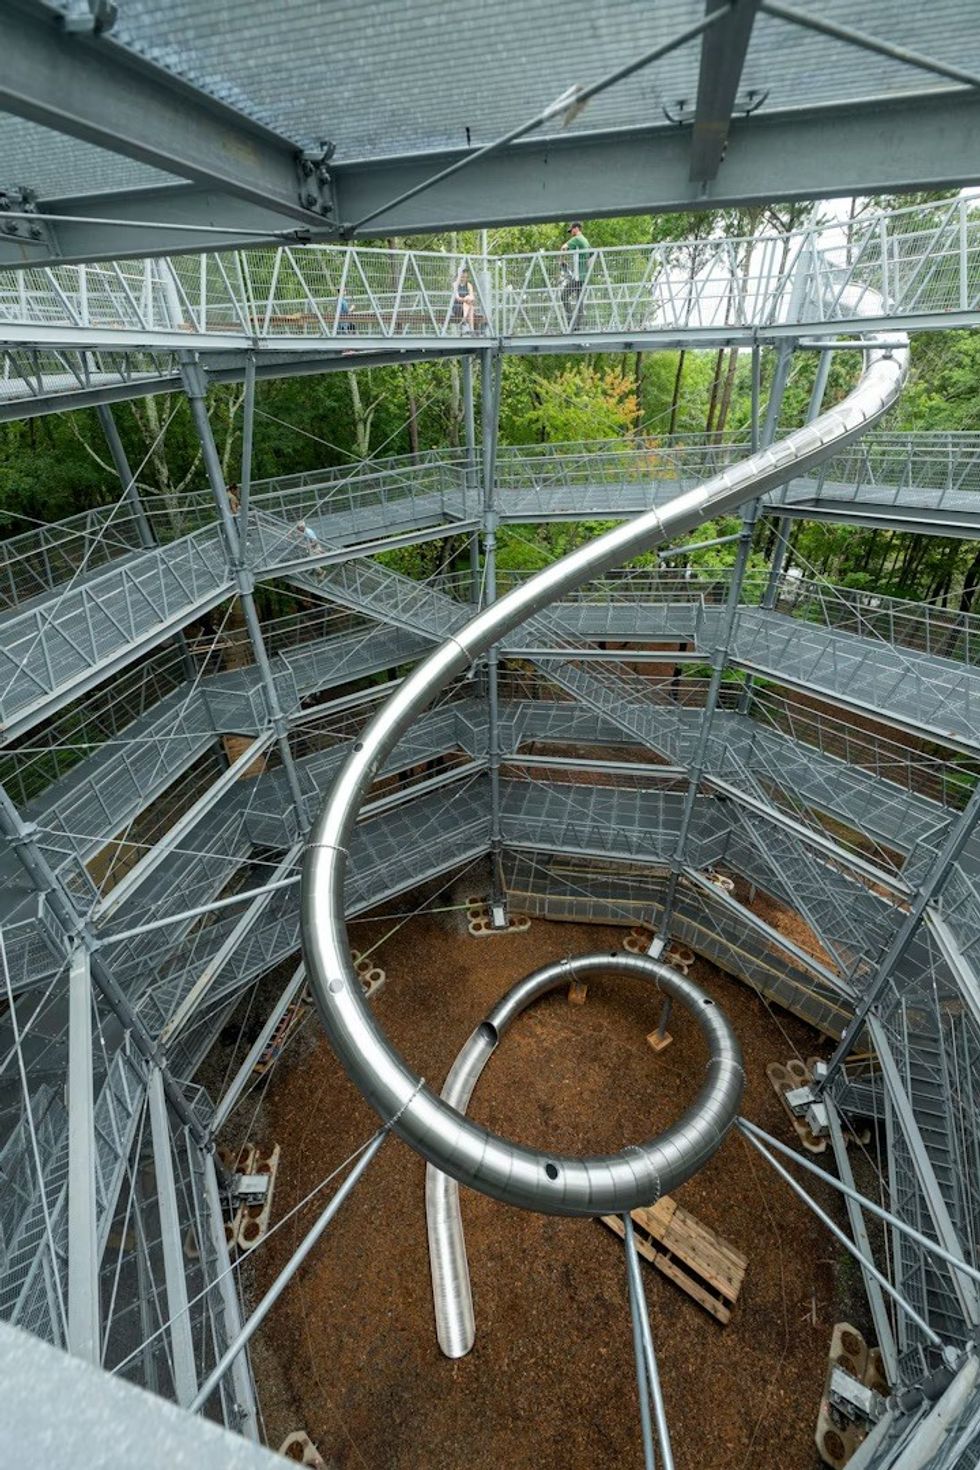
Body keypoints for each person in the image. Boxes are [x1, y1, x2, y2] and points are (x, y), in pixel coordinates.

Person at [559, 221, 590, 328]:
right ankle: (577, 325)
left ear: (576, 228)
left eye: (571, 230)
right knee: (580, 302)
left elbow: (563, 247)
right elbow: (590, 257)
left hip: (577, 278)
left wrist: (561, 261)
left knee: (563, 296)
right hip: (584, 277)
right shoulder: (586, 241)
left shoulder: (577, 239)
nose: (571, 232)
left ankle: (570, 319)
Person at [451, 266, 476, 334]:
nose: (464, 275)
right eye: (462, 273)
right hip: (457, 308)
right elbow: (457, 298)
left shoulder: (469, 285)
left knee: (470, 305)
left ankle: (464, 320)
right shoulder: (455, 284)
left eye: (465, 274)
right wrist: (466, 299)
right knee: (470, 304)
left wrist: (467, 299)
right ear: (459, 275)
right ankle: (471, 329)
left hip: (466, 308)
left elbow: (472, 298)